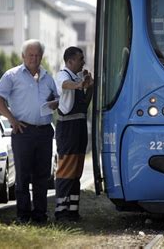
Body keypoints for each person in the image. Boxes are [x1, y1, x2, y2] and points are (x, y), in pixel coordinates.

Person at [0, 39, 58, 224]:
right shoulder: (12, 75)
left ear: (41, 57)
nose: (34, 58)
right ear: (23, 56)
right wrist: (11, 119)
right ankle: (23, 215)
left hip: (45, 132)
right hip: (23, 132)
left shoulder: (48, 77)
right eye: (30, 55)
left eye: (37, 55)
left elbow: (58, 99)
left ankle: (40, 215)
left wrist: (56, 103)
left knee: (42, 177)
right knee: (23, 175)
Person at [54, 46, 93, 222]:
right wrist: (79, 84)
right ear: (70, 61)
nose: (83, 62)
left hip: (79, 129)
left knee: (76, 172)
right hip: (68, 130)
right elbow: (64, 85)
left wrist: (89, 85)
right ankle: (61, 211)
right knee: (66, 171)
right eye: (80, 59)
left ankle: (72, 211)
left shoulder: (78, 77)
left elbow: (84, 104)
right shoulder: (63, 74)